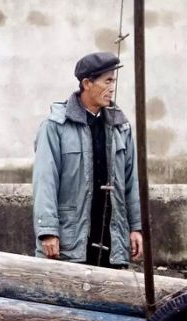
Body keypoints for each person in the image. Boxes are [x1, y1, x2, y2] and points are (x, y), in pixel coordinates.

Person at [32, 52, 143, 268]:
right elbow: (45, 181)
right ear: (86, 83)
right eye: (107, 81)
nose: (112, 88)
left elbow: (132, 181)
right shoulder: (55, 126)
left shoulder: (120, 126)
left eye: (114, 81)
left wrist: (135, 227)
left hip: (112, 239)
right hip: (70, 239)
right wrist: (47, 231)